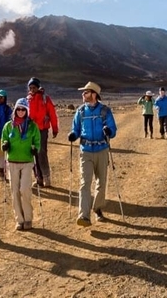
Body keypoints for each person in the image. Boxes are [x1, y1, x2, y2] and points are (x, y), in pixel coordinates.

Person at [68, 81, 117, 227]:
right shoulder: (80, 111)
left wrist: (109, 131)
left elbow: (113, 129)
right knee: (85, 183)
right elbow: (76, 129)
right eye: (83, 92)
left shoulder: (105, 111)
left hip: (102, 150)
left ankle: (97, 208)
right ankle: (84, 215)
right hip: (86, 151)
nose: (83, 94)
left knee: (101, 182)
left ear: (94, 94)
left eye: (86, 92)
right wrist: (72, 135)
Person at [1, 98, 41, 231]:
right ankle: (19, 219)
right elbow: (4, 138)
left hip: (27, 161)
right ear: (15, 110)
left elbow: (37, 141)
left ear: (27, 111)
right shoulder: (8, 126)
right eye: (18, 109)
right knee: (15, 191)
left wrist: (35, 148)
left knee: (24, 190)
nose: (20, 111)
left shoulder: (32, 126)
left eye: (23, 109)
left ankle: (28, 218)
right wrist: (5, 144)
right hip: (12, 161)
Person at [26, 77, 59, 187]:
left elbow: (52, 114)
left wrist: (55, 128)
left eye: (34, 87)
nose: (32, 89)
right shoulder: (28, 99)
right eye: (30, 87)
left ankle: (46, 177)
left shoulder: (45, 99)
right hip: (31, 130)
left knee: (42, 153)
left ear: (38, 87)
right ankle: (38, 178)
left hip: (42, 130)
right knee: (33, 153)